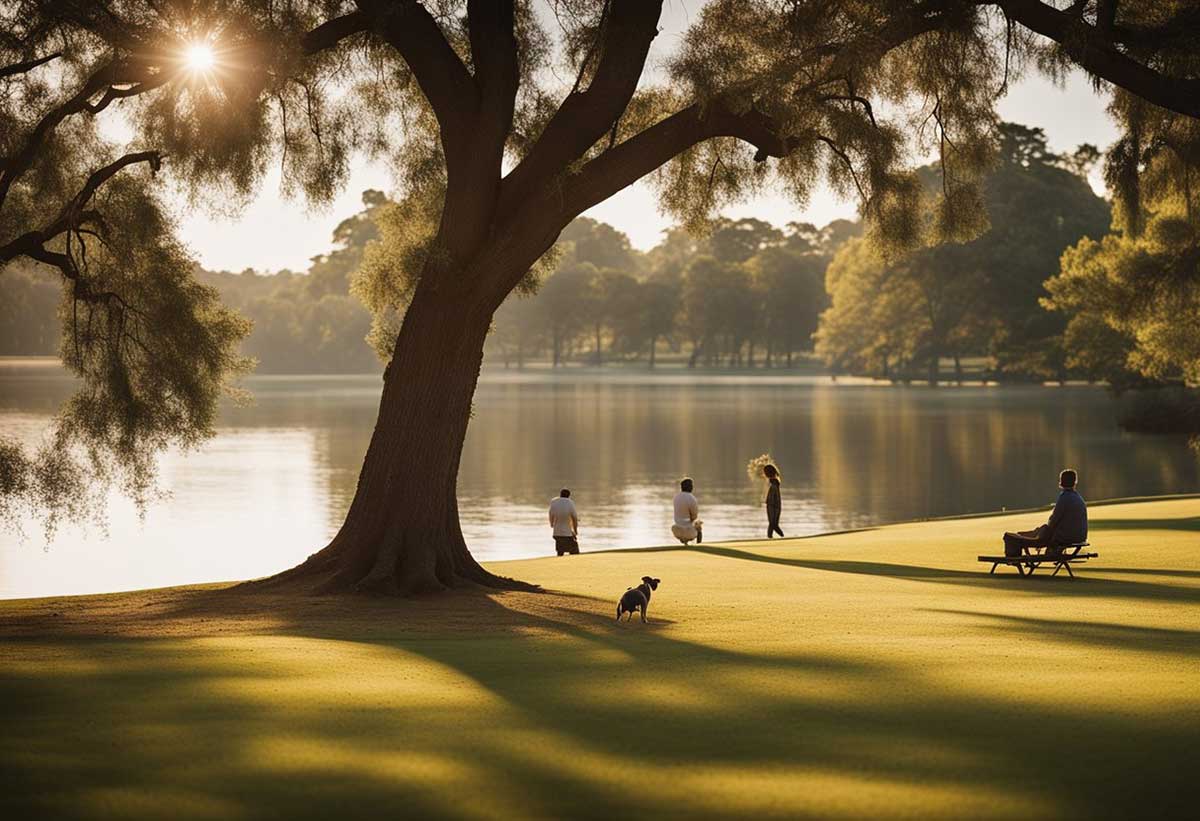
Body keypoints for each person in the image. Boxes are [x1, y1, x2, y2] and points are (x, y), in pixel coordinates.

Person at [1003, 469, 1088, 558]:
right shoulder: (1078, 497)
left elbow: (1053, 521)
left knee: (1012, 538)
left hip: (1065, 537)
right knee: (1040, 530)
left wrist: (1044, 533)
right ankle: (1021, 535)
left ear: (1061, 481)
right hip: (1079, 536)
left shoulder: (1065, 497)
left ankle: (1017, 544)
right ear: (1075, 482)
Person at [671, 477, 703, 545]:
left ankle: (685, 543)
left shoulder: (676, 497)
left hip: (676, 530)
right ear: (690, 487)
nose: (692, 487)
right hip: (688, 531)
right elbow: (694, 517)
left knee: (686, 524)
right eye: (691, 485)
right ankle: (699, 546)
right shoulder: (692, 498)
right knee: (699, 526)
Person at [548, 488, 579, 556]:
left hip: (556, 533)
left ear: (560, 494)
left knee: (560, 550)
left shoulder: (554, 502)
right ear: (569, 495)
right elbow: (574, 518)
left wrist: (552, 524)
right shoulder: (570, 502)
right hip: (567, 534)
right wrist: (575, 531)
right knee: (574, 550)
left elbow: (550, 514)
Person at [764, 464, 784, 538]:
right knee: (774, 524)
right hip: (775, 506)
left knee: (772, 524)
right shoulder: (775, 482)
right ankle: (781, 536)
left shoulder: (774, 484)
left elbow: (773, 497)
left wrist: (770, 504)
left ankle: (771, 537)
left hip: (773, 506)